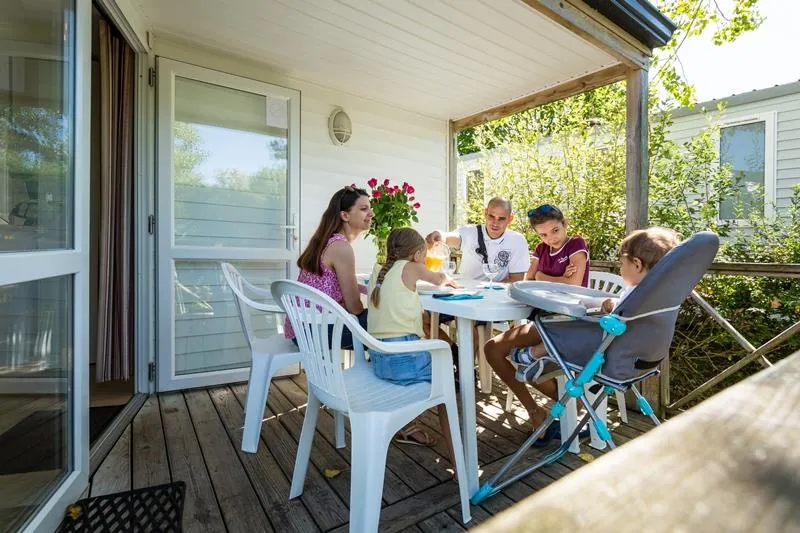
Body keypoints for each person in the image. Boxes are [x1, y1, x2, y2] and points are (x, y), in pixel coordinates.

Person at [483, 203, 590, 444]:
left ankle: (577, 406)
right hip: (543, 321)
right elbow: (528, 280)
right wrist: (556, 278)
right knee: (492, 349)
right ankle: (536, 412)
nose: (550, 238)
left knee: (526, 364)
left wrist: (546, 277)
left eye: (555, 231)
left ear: (565, 224)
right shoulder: (541, 249)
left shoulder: (576, 245)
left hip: (570, 325)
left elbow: (572, 286)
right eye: (543, 234)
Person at [367, 227, 458, 448]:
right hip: (402, 360)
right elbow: (438, 279)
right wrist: (447, 278)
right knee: (449, 375)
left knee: (428, 349)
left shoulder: (378, 270)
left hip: (379, 361)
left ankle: (406, 425)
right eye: (424, 255)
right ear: (417, 255)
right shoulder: (413, 267)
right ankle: (456, 452)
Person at [284, 185, 373, 347]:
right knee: (388, 323)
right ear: (345, 215)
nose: (371, 214)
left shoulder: (326, 241)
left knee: (382, 320)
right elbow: (355, 308)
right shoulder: (341, 248)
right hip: (315, 331)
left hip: (301, 329)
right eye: (364, 209)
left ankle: (370, 365)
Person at [425, 197, 530, 283]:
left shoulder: (517, 241)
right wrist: (440, 235)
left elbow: (516, 280)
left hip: (498, 294)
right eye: (491, 216)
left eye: (501, 218)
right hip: (464, 292)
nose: (495, 223)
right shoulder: (469, 231)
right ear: (485, 213)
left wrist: (489, 290)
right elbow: (452, 237)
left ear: (510, 219)